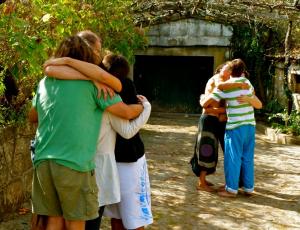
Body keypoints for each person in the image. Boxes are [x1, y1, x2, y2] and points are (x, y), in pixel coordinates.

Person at [28, 31, 144, 230]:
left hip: (43, 160)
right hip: (74, 163)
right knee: (76, 222)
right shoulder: (96, 86)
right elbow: (125, 112)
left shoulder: (44, 82)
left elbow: (33, 116)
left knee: (53, 220)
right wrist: (143, 106)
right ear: (88, 57)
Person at [102, 54, 153, 230]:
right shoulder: (125, 85)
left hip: (109, 160)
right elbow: (128, 131)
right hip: (130, 158)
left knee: (117, 215)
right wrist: (146, 109)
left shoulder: (98, 88)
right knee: (135, 215)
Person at [202, 58, 262, 197]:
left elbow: (206, 104)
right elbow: (256, 101)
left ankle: (231, 189)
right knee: (247, 157)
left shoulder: (224, 87)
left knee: (233, 157)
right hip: (250, 126)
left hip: (235, 127)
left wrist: (202, 99)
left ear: (230, 71)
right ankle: (248, 188)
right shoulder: (247, 83)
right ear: (242, 71)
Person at [194, 62, 231, 192]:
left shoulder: (227, 82)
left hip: (217, 121)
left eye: (231, 70)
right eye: (228, 69)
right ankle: (201, 182)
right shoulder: (216, 82)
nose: (230, 72)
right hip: (209, 120)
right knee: (206, 150)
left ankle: (229, 182)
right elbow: (206, 106)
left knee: (220, 150)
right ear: (221, 70)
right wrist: (223, 111)